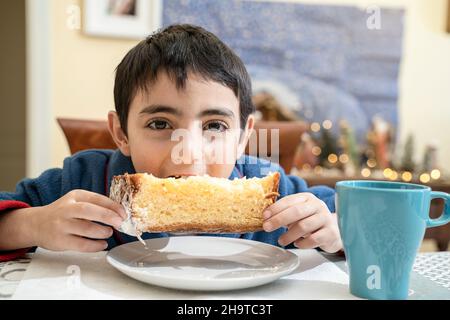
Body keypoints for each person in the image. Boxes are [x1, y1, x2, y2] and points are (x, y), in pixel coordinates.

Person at [0, 24, 342, 262]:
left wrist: (340, 232)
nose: (189, 151)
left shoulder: (279, 197)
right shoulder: (84, 179)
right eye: (160, 123)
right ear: (121, 133)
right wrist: (32, 225)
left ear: (243, 137)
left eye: (215, 125)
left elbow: (365, 225)